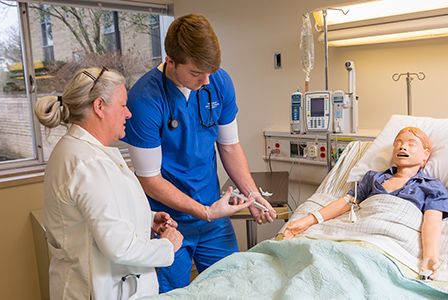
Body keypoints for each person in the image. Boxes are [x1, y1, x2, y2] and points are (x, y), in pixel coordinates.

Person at [121, 14, 277, 292]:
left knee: (232, 288)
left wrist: (252, 195)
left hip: (213, 219)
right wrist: (204, 211)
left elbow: (229, 146)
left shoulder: (218, 82)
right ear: (170, 60)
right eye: (196, 73)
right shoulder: (144, 100)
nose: (206, 81)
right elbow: (150, 180)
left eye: (210, 72)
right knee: (174, 295)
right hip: (167, 224)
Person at [35, 67, 184, 300]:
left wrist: (146, 218)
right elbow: (120, 246)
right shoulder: (89, 163)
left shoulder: (74, 150)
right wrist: (167, 245)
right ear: (99, 107)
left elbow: (96, 216)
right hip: (97, 289)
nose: (129, 114)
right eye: (123, 105)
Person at [283, 127, 448, 280]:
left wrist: (430, 256)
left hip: (387, 242)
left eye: (411, 144)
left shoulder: (432, 187)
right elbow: (346, 202)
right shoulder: (373, 178)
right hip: (357, 234)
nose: (402, 147)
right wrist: (308, 221)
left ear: (425, 154)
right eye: (398, 143)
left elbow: (432, 222)